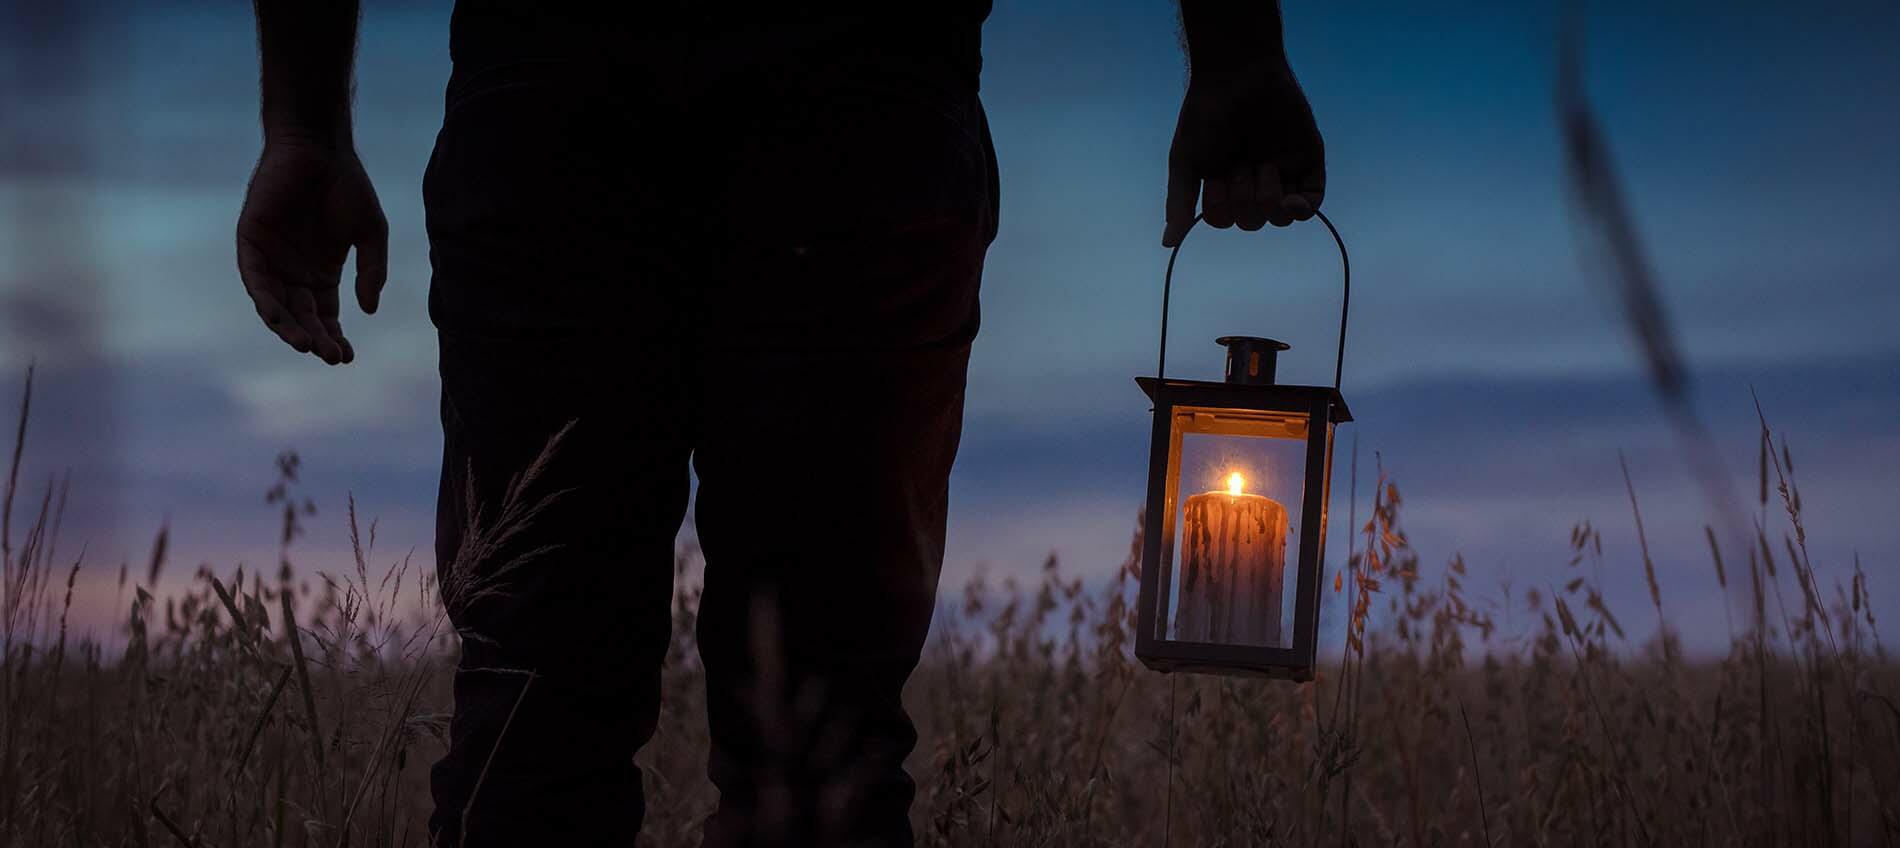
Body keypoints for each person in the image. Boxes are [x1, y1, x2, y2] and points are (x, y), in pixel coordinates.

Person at [234, 2, 1323, 844]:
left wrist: (306, 118)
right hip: (859, 99)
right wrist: (1235, 49)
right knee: (811, 738)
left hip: (566, 98)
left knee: (536, 714)